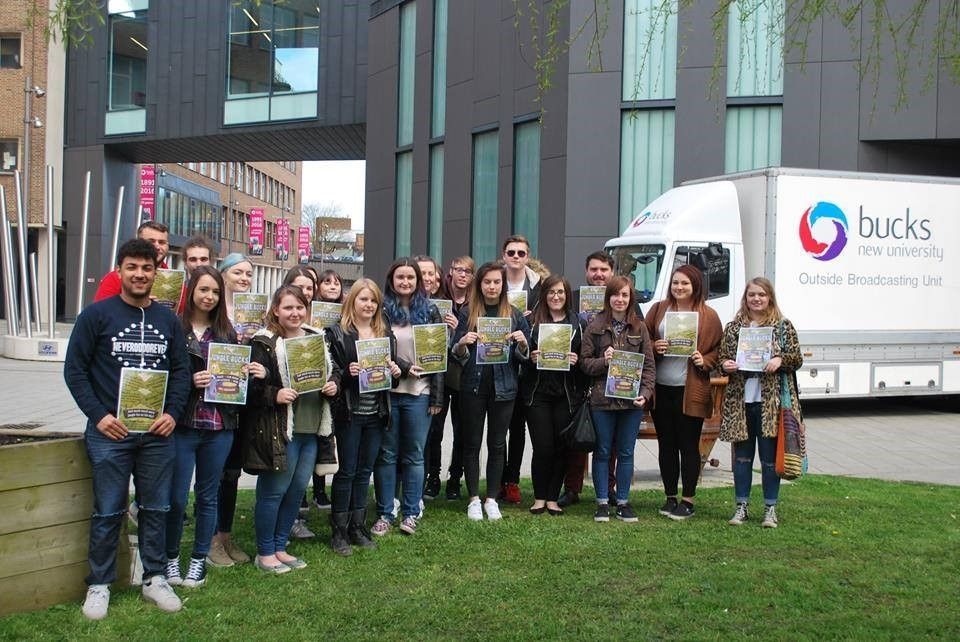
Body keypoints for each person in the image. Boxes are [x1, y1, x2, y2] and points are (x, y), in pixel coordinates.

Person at [64, 239, 191, 620]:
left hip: (156, 435)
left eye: (146, 268)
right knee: (107, 511)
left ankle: (154, 578)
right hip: (110, 434)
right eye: (132, 267)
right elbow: (74, 370)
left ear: (156, 272)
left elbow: (181, 372)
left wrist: (172, 412)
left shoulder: (168, 320)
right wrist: (99, 415)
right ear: (119, 270)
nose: (139, 274)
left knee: (156, 508)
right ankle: (99, 584)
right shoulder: (96, 316)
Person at [163, 267, 267, 589]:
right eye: (203, 290)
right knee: (177, 497)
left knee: (208, 496)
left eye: (215, 292)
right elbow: (162, 377)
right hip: (183, 423)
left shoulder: (227, 334)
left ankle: (197, 561)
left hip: (220, 425)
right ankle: (170, 560)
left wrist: (250, 372)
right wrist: (189, 382)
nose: (209, 297)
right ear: (192, 290)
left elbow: (238, 386)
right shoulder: (175, 330)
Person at [243, 285, 339, 573]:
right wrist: (274, 394)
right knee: (274, 491)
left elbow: (332, 370)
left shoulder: (316, 337)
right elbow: (249, 388)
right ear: (276, 310)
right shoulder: (263, 342)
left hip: (312, 427)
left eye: (299, 307)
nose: (295, 313)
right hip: (280, 429)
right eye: (288, 307)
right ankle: (265, 552)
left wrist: (335, 383)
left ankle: (281, 545)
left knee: (297, 491)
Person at [719, 277, 803, 529]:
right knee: (742, 459)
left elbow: (796, 358)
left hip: (771, 404)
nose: (756, 299)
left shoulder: (781, 326)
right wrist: (725, 364)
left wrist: (780, 359)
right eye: (751, 295)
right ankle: (741, 506)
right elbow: (722, 356)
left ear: (770, 298)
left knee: (769, 459)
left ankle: (770, 509)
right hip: (741, 403)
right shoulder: (734, 328)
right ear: (745, 299)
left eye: (761, 295)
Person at [326, 279, 402, 554]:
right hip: (350, 412)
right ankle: (339, 530)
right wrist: (348, 373)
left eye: (373, 301)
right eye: (363, 300)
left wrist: (395, 373)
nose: (368, 305)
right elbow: (332, 373)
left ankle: (357, 526)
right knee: (346, 471)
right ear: (352, 302)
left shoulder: (385, 333)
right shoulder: (337, 333)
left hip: (376, 413)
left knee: (364, 471)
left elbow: (390, 381)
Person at [371, 258, 446, 536]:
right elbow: (375, 349)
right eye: (400, 277)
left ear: (419, 281)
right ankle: (385, 513)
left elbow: (439, 357)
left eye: (410, 278)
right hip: (388, 393)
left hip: (420, 394)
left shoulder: (430, 310)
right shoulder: (381, 312)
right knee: (387, 455)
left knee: (414, 456)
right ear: (391, 280)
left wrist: (437, 397)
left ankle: (411, 512)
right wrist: (402, 368)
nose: (405, 282)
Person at [451, 262, 530, 521]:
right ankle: (474, 498)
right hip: (473, 386)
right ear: (479, 285)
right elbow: (456, 352)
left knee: (497, 445)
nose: (492, 286)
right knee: (472, 443)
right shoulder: (468, 313)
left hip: (504, 388)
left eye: (497, 282)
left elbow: (526, 357)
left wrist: (522, 344)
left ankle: (492, 498)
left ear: (503, 285)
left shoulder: (515, 314)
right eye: (487, 282)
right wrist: (463, 342)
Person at [644, 265, 722, 520]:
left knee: (688, 445)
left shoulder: (708, 315)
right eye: (676, 282)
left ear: (695, 286)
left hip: (691, 390)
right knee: (666, 445)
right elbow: (643, 340)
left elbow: (719, 351)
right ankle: (669, 497)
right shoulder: (659, 309)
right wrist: (655, 346)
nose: (679, 287)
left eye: (685, 283)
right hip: (662, 389)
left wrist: (705, 360)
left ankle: (687, 499)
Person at [579, 275, 655, 523]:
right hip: (602, 401)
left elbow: (650, 368)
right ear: (608, 297)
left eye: (624, 295)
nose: (620, 299)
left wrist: (645, 394)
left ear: (630, 298)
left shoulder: (640, 327)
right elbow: (584, 364)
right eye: (615, 294)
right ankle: (602, 502)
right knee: (601, 451)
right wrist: (604, 360)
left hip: (631, 403)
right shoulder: (594, 326)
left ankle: (622, 501)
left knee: (625, 452)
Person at [520, 275, 584, 516]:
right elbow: (519, 356)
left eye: (560, 292)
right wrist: (530, 358)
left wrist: (577, 362)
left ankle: (553, 498)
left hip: (565, 395)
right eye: (551, 292)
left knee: (560, 447)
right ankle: (539, 497)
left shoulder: (578, 323)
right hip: (538, 394)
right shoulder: (532, 323)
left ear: (567, 295)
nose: (556, 297)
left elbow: (585, 359)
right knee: (543, 446)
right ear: (544, 295)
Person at [209, 252, 256, 567]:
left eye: (249, 274)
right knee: (214, 474)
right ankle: (210, 539)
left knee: (231, 474)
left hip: (243, 403)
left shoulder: (255, 313)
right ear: (223, 274)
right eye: (238, 272)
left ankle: (225, 535)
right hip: (215, 404)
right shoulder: (212, 309)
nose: (244, 278)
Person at [500, 235, 542, 505]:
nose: (516, 257)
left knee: (518, 428)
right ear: (503, 255)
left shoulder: (539, 286)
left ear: (528, 256)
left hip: (527, 366)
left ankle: (512, 480)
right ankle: (497, 479)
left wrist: (532, 320)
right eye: (511, 252)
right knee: (496, 429)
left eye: (521, 253)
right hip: (499, 363)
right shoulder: (494, 281)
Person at [414, 254, 458, 500]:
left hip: (434, 381)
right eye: (422, 273)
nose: (427, 278)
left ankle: (428, 482)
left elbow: (444, 352)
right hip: (407, 382)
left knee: (432, 435)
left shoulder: (440, 307)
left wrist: (453, 328)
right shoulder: (397, 307)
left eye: (431, 273)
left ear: (438, 277)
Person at [308, 268, 346, 514]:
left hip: (337, 380)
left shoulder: (345, 315)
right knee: (312, 437)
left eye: (337, 283)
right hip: (312, 378)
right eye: (327, 282)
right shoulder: (309, 314)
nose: (332, 287)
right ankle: (309, 490)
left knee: (327, 438)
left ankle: (322, 489)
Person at [440, 255, 475, 499]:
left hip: (465, 374)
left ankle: (455, 478)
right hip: (440, 374)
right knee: (434, 431)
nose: (462, 274)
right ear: (450, 271)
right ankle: (433, 476)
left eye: (467, 271)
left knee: (463, 430)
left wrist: (459, 330)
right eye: (458, 269)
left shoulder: (476, 304)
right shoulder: (439, 299)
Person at [93, 221, 171, 302]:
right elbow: (100, 312)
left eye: (162, 242)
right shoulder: (114, 279)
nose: (157, 246)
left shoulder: (175, 279)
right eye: (151, 241)